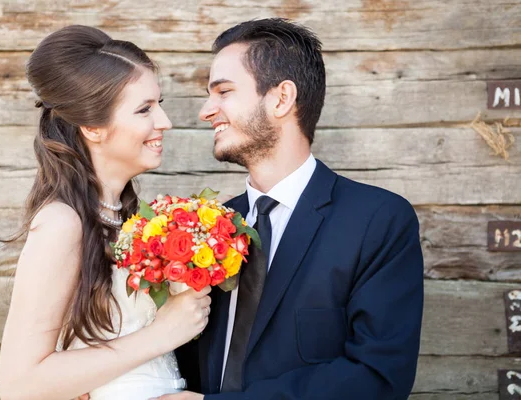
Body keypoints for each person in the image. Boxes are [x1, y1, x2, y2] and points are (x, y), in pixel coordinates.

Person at [165, 18, 424, 400]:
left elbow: (378, 378)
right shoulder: (206, 228)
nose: (207, 110)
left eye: (223, 91)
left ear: (281, 98)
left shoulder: (378, 221)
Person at [0, 25, 212, 400]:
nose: (165, 122)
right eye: (145, 109)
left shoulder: (130, 220)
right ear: (94, 127)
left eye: (159, 104)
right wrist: (161, 335)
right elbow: (20, 385)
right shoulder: (61, 223)